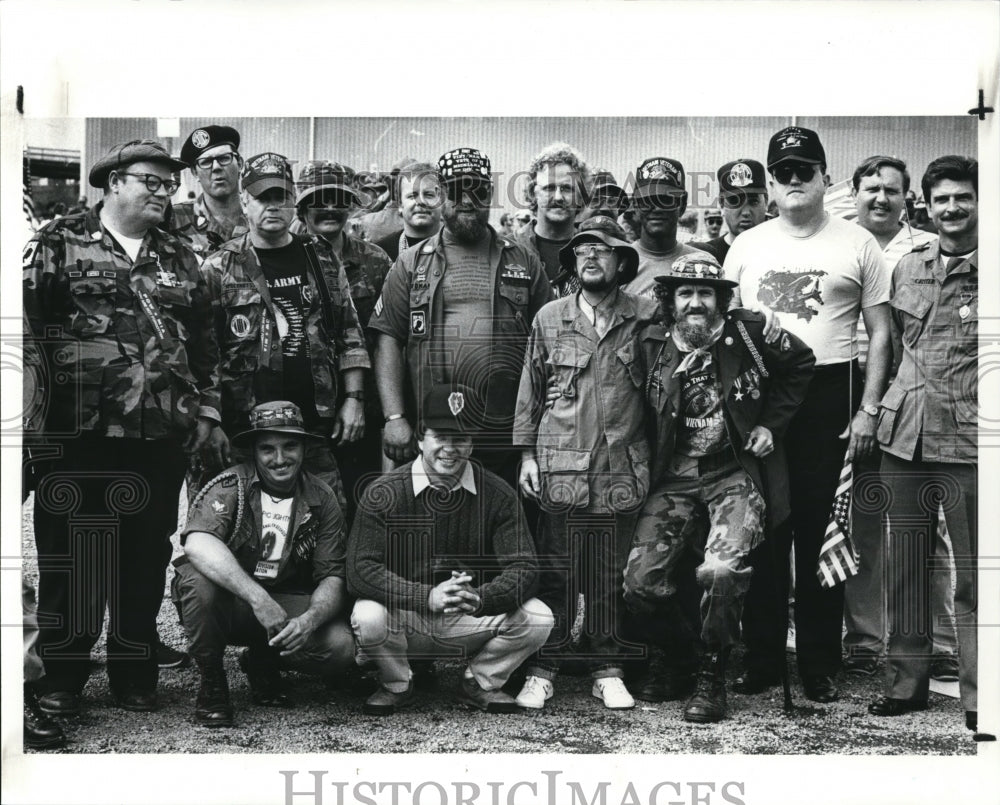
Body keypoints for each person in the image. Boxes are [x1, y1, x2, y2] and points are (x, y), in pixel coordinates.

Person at [23, 139, 222, 714]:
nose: (164, 192)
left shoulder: (181, 258)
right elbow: (26, 332)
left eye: (168, 184)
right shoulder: (58, 242)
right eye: (150, 181)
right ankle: (61, 676)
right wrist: (33, 428)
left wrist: (206, 409)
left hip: (159, 436)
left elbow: (207, 346)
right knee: (74, 557)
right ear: (112, 183)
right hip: (79, 433)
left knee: (141, 556)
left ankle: (134, 674)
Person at [724, 126, 892, 703]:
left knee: (821, 529)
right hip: (764, 395)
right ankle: (764, 660)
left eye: (805, 170)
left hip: (830, 395)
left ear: (825, 177)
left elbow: (882, 334)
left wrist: (868, 409)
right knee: (764, 529)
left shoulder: (858, 243)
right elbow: (728, 335)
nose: (794, 181)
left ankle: (820, 663)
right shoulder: (747, 246)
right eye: (784, 173)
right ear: (771, 183)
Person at [622, 253, 814, 722]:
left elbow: (801, 363)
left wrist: (772, 424)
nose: (695, 303)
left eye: (705, 293)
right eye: (684, 293)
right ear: (669, 299)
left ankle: (713, 672)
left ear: (721, 299)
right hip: (675, 475)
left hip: (733, 472)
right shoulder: (651, 342)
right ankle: (682, 655)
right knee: (639, 584)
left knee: (721, 573)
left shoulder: (748, 332)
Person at [513, 216, 656, 710]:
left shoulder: (647, 317)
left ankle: (606, 666)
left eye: (603, 249)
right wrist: (528, 454)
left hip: (621, 468)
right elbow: (530, 389)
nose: (591, 256)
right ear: (573, 262)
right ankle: (544, 666)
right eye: (582, 250)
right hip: (560, 466)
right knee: (555, 569)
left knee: (608, 572)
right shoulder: (549, 317)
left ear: (622, 261)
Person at [348, 384, 554, 715]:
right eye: (440, 436)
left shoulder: (497, 493)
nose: (450, 448)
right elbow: (360, 570)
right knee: (368, 614)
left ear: (472, 443)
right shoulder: (383, 492)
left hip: (467, 613)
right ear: (420, 438)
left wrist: (482, 597)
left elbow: (525, 568)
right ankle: (396, 684)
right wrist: (425, 596)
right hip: (406, 618)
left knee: (539, 617)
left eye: (461, 438)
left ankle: (479, 683)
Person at [868, 156, 978, 731]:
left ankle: (979, 694)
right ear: (926, 207)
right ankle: (905, 684)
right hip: (905, 435)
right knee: (906, 564)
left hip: (973, 441)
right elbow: (890, 345)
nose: (952, 209)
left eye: (964, 197)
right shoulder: (907, 268)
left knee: (976, 575)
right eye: (942, 200)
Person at [369, 147, 551, 488]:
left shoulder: (523, 262)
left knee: (494, 522)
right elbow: (388, 339)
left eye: (478, 190)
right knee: (427, 523)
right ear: (441, 196)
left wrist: (533, 434)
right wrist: (394, 417)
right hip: (432, 431)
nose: (468, 199)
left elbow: (549, 347)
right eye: (456, 190)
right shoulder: (410, 264)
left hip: (503, 431)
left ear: (490, 195)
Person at [200, 153, 370, 510]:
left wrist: (354, 399)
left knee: (327, 521)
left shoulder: (320, 255)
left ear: (294, 201)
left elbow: (348, 331)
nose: (273, 207)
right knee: (244, 525)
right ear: (244, 201)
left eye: (281, 197)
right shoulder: (219, 266)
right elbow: (204, 353)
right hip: (245, 428)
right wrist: (211, 419)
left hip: (312, 425)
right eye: (263, 198)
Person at [172, 401, 356, 726]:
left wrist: (310, 620)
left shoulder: (321, 495)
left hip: (282, 602)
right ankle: (212, 680)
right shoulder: (232, 486)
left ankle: (263, 658)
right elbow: (197, 542)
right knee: (198, 582)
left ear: (304, 448)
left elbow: (332, 575)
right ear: (254, 452)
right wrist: (258, 599)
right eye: (267, 448)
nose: (280, 458)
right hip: (233, 603)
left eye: (290, 446)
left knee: (340, 647)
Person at [843, 155, 951, 678]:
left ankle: (943, 642)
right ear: (855, 193)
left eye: (891, 190)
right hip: (852, 390)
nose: (880, 198)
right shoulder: (839, 243)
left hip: (913, 395)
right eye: (870, 189)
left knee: (924, 524)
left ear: (908, 197)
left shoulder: (926, 250)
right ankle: (864, 639)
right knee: (861, 517)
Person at [293, 160, 393, 519]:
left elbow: (385, 337)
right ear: (302, 206)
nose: (331, 208)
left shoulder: (375, 260)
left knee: (360, 505)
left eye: (339, 199)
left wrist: (366, 402)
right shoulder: (283, 258)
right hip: (303, 412)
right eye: (320, 199)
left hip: (360, 410)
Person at [622, 157, 709, 300]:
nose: (657, 208)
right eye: (648, 200)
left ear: (682, 205)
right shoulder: (621, 265)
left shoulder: (703, 264)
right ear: (636, 205)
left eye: (667, 200)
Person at [513, 142, 591, 296]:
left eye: (567, 188)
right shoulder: (509, 249)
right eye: (549, 188)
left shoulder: (593, 251)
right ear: (533, 193)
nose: (558, 197)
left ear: (581, 196)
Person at [170, 125, 248, 260]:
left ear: (240, 164)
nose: (216, 167)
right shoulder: (173, 220)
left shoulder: (258, 215)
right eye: (206, 162)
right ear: (195, 172)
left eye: (224, 158)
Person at [691, 159, 769, 265]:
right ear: (721, 204)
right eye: (735, 201)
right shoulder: (705, 256)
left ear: (766, 202)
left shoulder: (781, 251)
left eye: (753, 202)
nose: (746, 212)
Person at [373, 162, 443, 261]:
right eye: (411, 196)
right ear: (400, 204)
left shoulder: (461, 248)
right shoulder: (379, 253)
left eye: (429, 195)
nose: (420, 202)